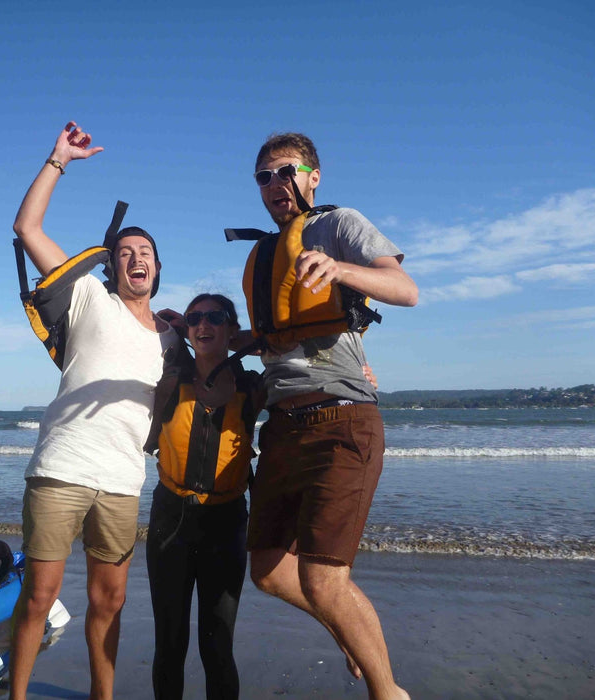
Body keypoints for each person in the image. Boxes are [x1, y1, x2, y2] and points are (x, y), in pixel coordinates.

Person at [242, 133, 418, 700]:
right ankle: (343, 619)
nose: (273, 185)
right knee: (269, 569)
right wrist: (200, 331)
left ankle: (388, 692)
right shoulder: (265, 252)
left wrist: (340, 269)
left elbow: (405, 289)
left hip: (341, 420)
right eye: (262, 177)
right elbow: (278, 338)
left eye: (284, 172)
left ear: (313, 175)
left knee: (322, 578)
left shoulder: (338, 225)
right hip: (283, 428)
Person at [9, 122, 179, 700]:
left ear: (158, 268)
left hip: (123, 481)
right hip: (62, 468)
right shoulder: (87, 297)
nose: (136, 258)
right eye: (126, 252)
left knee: (111, 602)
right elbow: (27, 227)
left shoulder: (172, 338)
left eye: (146, 253)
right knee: (39, 596)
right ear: (113, 266)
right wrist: (58, 160)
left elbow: (227, 364)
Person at [144, 294, 264, 700]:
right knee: (170, 643)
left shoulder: (253, 388)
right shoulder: (168, 378)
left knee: (217, 646)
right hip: (170, 520)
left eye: (215, 317)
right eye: (194, 318)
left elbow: (297, 367)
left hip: (226, 523)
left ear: (231, 330)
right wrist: (174, 328)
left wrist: (362, 375)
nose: (202, 324)